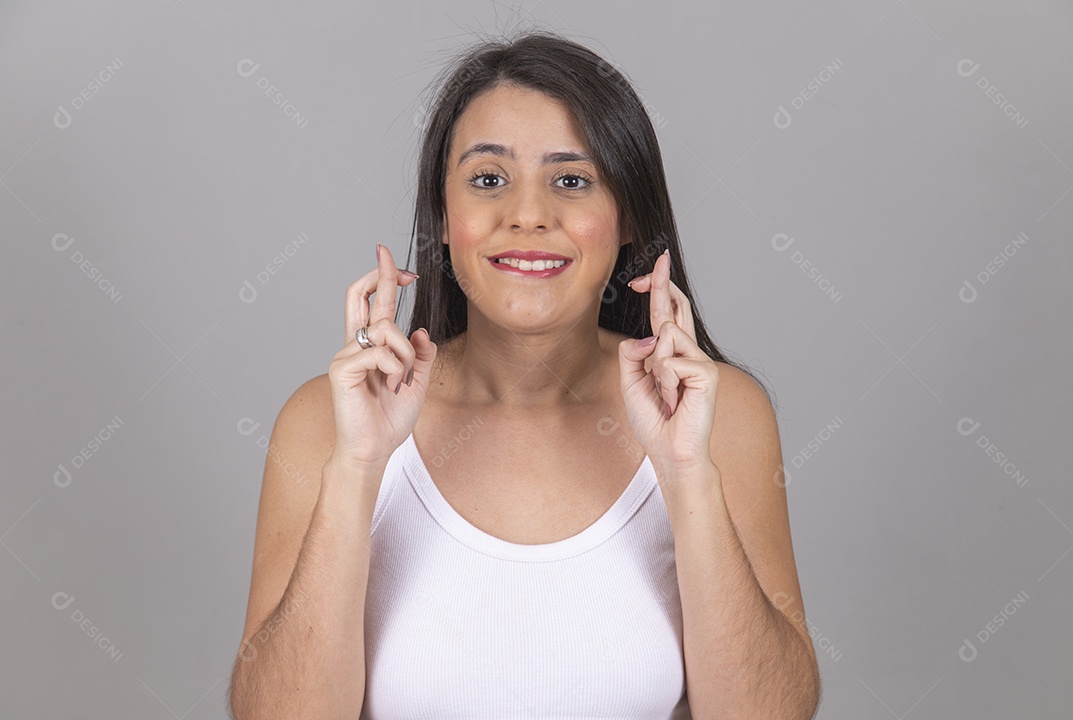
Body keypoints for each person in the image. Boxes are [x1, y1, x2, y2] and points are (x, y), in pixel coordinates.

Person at [229, 31, 821, 720]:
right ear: (445, 219)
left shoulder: (721, 416)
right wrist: (357, 465)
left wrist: (687, 470)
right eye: (488, 180)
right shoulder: (323, 424)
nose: (529, 215)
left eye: (571, 180)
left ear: (626, 216)